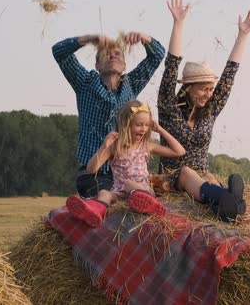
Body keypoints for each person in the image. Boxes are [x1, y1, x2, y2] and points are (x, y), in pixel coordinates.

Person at [157, 0, 250, 222]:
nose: (209, 94)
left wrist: (242, 35)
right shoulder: (169, 109)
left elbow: (229, 76)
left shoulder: (210, 111)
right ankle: (226, 198)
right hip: (174, 178)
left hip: (203, 177)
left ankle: (226, 204)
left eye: (211, 89)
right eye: (204, 89)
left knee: (206, 176)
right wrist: (178, 24)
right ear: (189, 88)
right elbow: (170, 68)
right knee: (186, 173)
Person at [52, 31, 166, 199]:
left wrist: (144, 39)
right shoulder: (84, 82)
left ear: (125, 65)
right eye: (106, 54)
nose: (113, 56)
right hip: (94, 173)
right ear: (97, 65)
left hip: (123, 173)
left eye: (118, 54)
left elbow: (157, 55)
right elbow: (59, 52)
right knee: (111, 202)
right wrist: (88, 39)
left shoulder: (132, 84)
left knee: (137, 200)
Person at [65, 100, 186, 228]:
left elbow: (179, 151)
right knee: (104, 193)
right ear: (126, 125)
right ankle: (94, 212)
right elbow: (91, 169)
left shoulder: (146, 146)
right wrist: (104, 146)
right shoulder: (115, 148)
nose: (144, 129)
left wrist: (160, 130)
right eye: (139, 125)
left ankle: (149, 205)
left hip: (143, 190)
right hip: (121, 193)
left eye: (147, 125)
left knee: (130, 184)